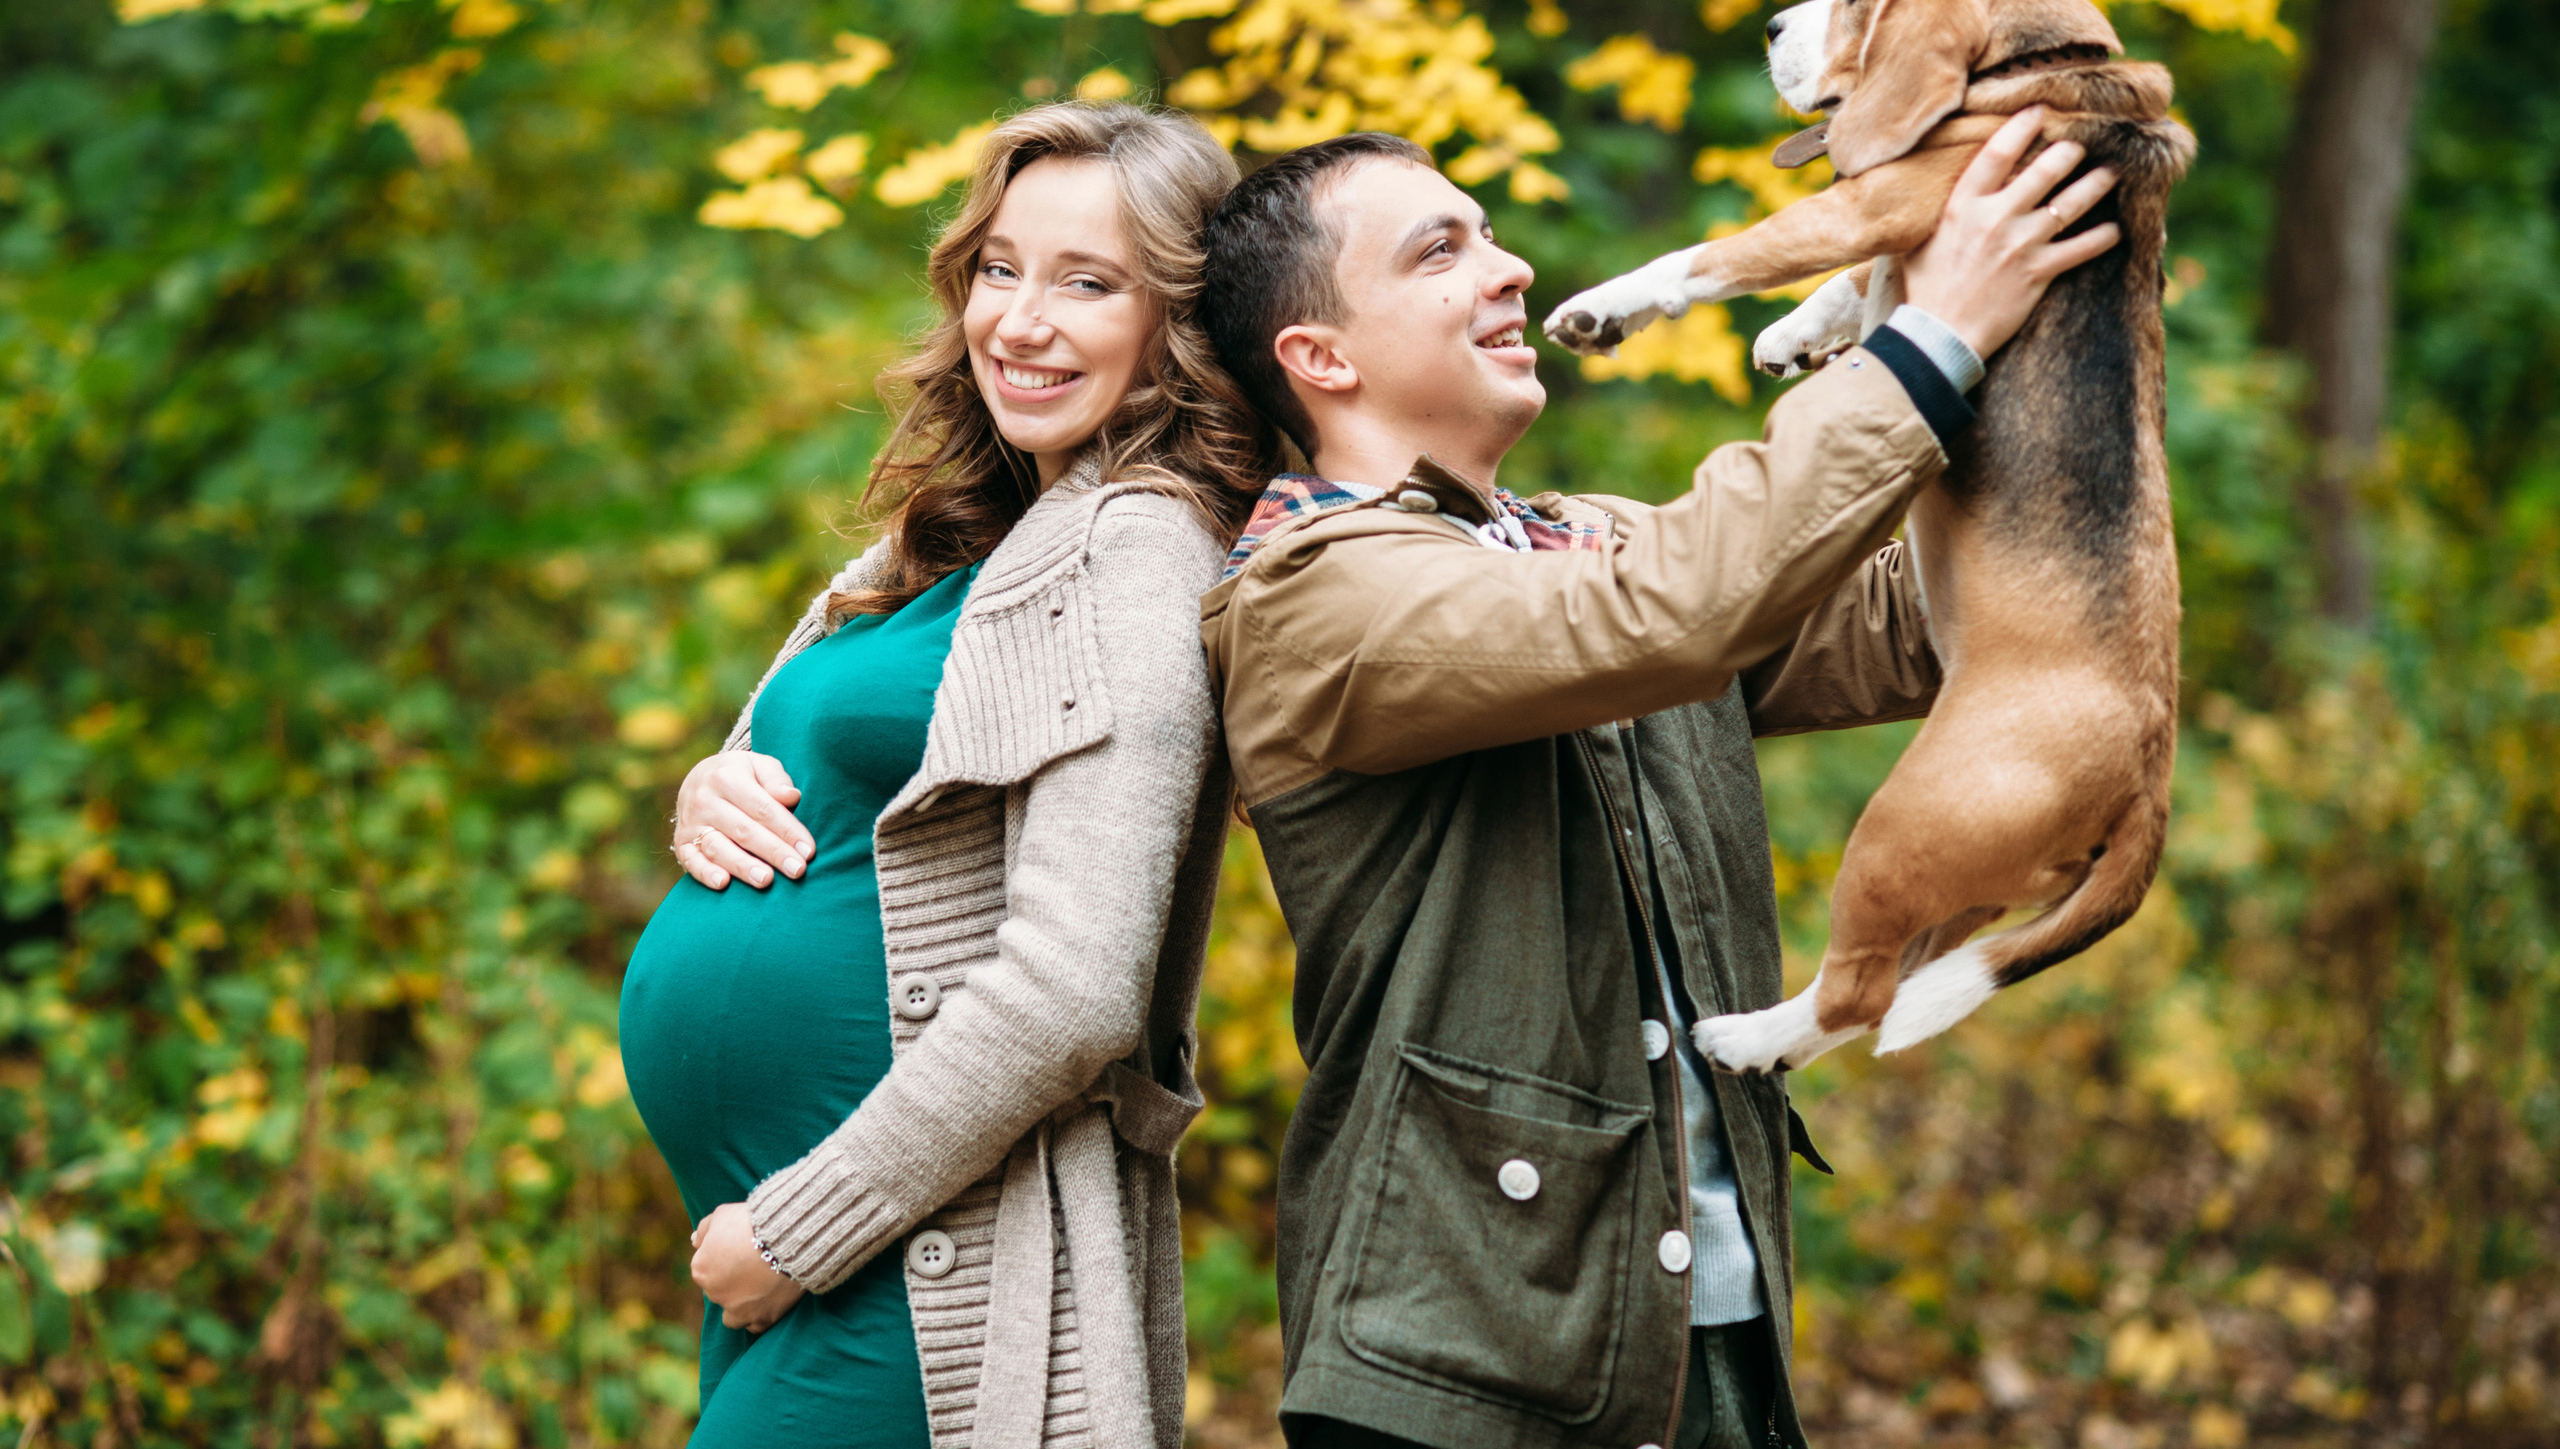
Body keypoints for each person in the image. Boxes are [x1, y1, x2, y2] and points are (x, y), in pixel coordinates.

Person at [1193, 111, 2119, 1449]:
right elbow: (1675, 611)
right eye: (1440, 249)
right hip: (1458, 1372)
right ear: (1319, 356)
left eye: (1494, 236)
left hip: (1713, 1339)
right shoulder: (1309, 595)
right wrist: (1931, 346)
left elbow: (1931, 622)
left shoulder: (1587, 541)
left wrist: (2035, 328)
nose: (1508, 269)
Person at [618, 99, 1274, 1449]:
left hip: (921, 1271)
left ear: (1181, 321)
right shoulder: (989, 532)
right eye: (999, 267)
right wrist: (711, 788)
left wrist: (801, 1232)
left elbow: (1076, 987)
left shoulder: (1135, 548)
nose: (1019, 321)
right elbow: (825, 762)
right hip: (830, 1262)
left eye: (1089, 283)